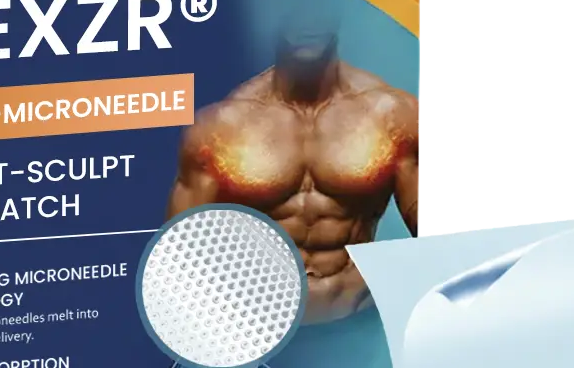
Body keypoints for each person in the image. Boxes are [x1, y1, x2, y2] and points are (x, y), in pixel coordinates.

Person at [166, 27, 423, 324]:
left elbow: (440, 238)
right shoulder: (220, 127)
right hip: (256, 324)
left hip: (362, 317)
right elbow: (178, 260)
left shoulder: (394, 115)